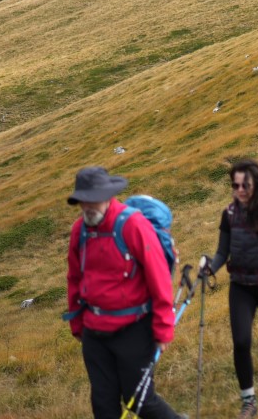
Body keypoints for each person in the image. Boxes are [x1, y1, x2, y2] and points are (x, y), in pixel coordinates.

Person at [64, 166, 185, 419]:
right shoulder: (80, 230)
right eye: (83, 201)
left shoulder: (132, 224)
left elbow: (159, 277)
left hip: (134, 329)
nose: (88, 206)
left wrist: (163, 328)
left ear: (108, 196)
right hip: (94, 333)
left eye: (93, 199)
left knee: (139, 401)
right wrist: (77, 324)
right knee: (103, 406)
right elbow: (74, 278)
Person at [201, 159, 258, 417]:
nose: (240, 189)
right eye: (235, 185)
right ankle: (248, 401)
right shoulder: (229, 214)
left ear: (256, 184)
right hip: (240, 285)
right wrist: (210, 268)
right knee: (241, 342)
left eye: (245, 185)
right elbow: (222, 252)